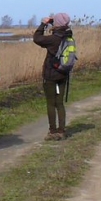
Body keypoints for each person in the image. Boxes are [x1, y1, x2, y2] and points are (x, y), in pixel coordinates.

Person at [33, 12, 74, 141]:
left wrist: (43, 24)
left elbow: (37, 38)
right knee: (60, 103)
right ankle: (61, 131)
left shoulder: (53, 39)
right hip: (63, 74)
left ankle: (52, 131)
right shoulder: (69, 37)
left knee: (51, 104)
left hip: (51, 75)